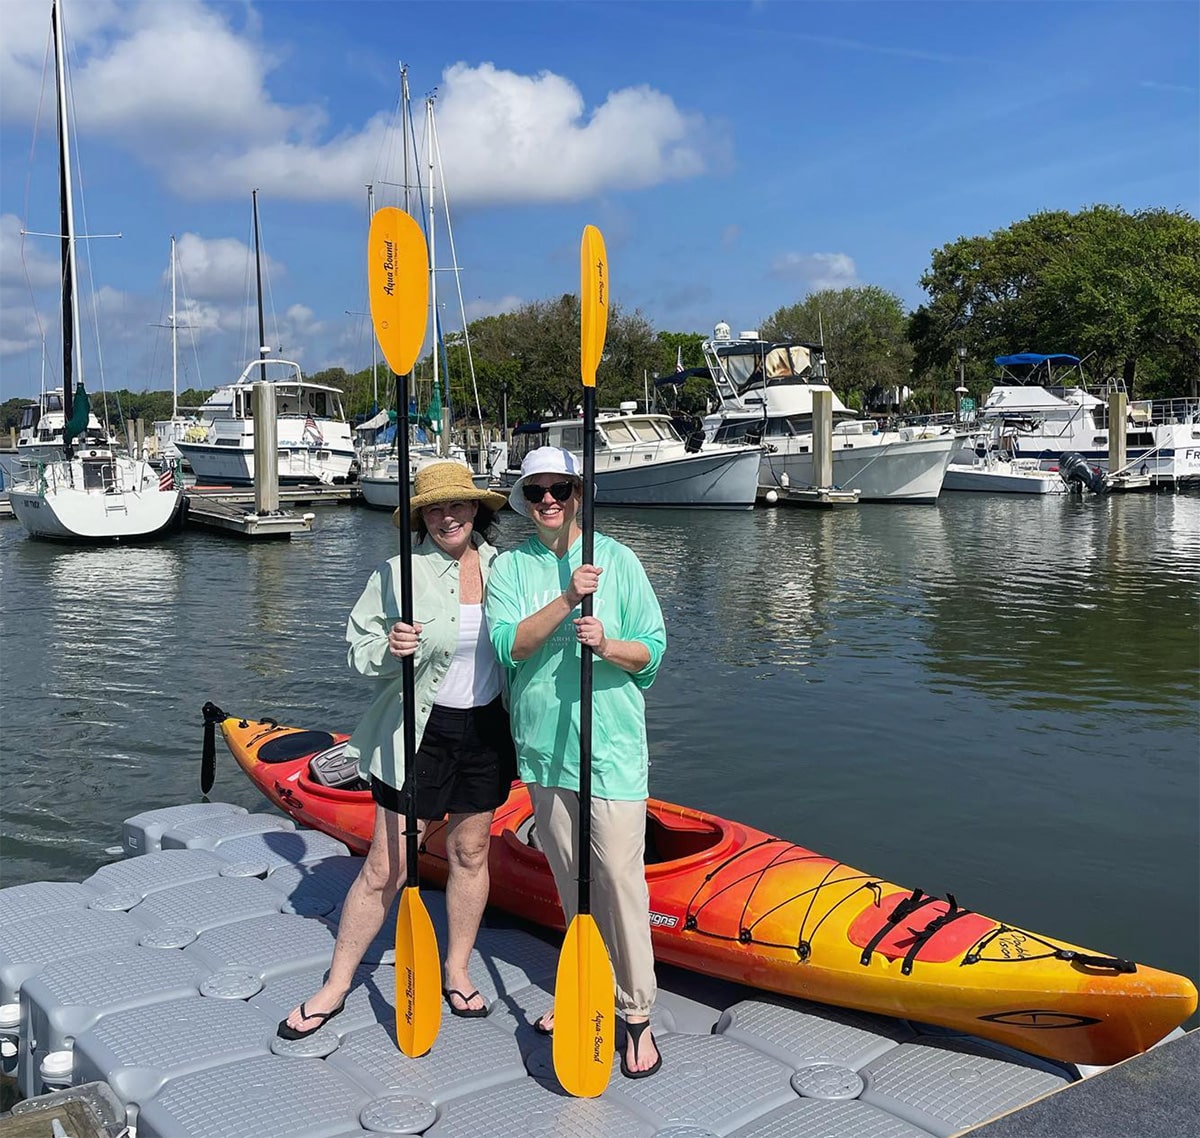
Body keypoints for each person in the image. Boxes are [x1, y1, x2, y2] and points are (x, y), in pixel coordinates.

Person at [278, 460, 515, 1038]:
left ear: (478, 510)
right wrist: (391, 647)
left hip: (487, 730)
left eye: (458, 505)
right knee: (387, 865)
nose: (447, 516)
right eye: (434, 508)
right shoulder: (398, 571)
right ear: (421, 518)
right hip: (417, 733)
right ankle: (336, 985)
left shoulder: (509, 569)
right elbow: (359, 649)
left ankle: (456, 969)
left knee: (470, 854)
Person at [484, 446, 667, 1079]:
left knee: (618, 879)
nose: (548, 500)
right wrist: (567, 600)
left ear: (578, 492)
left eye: (559, 487)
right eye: (535, 491)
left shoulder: (619, 560)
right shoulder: (509, 567)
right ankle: (585, 984)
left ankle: (637, 1012)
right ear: (525, 501)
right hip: (544, 749)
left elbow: (654, 652)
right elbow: (508, 646)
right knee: (570, 880)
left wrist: (607, 643)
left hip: (610, 749)